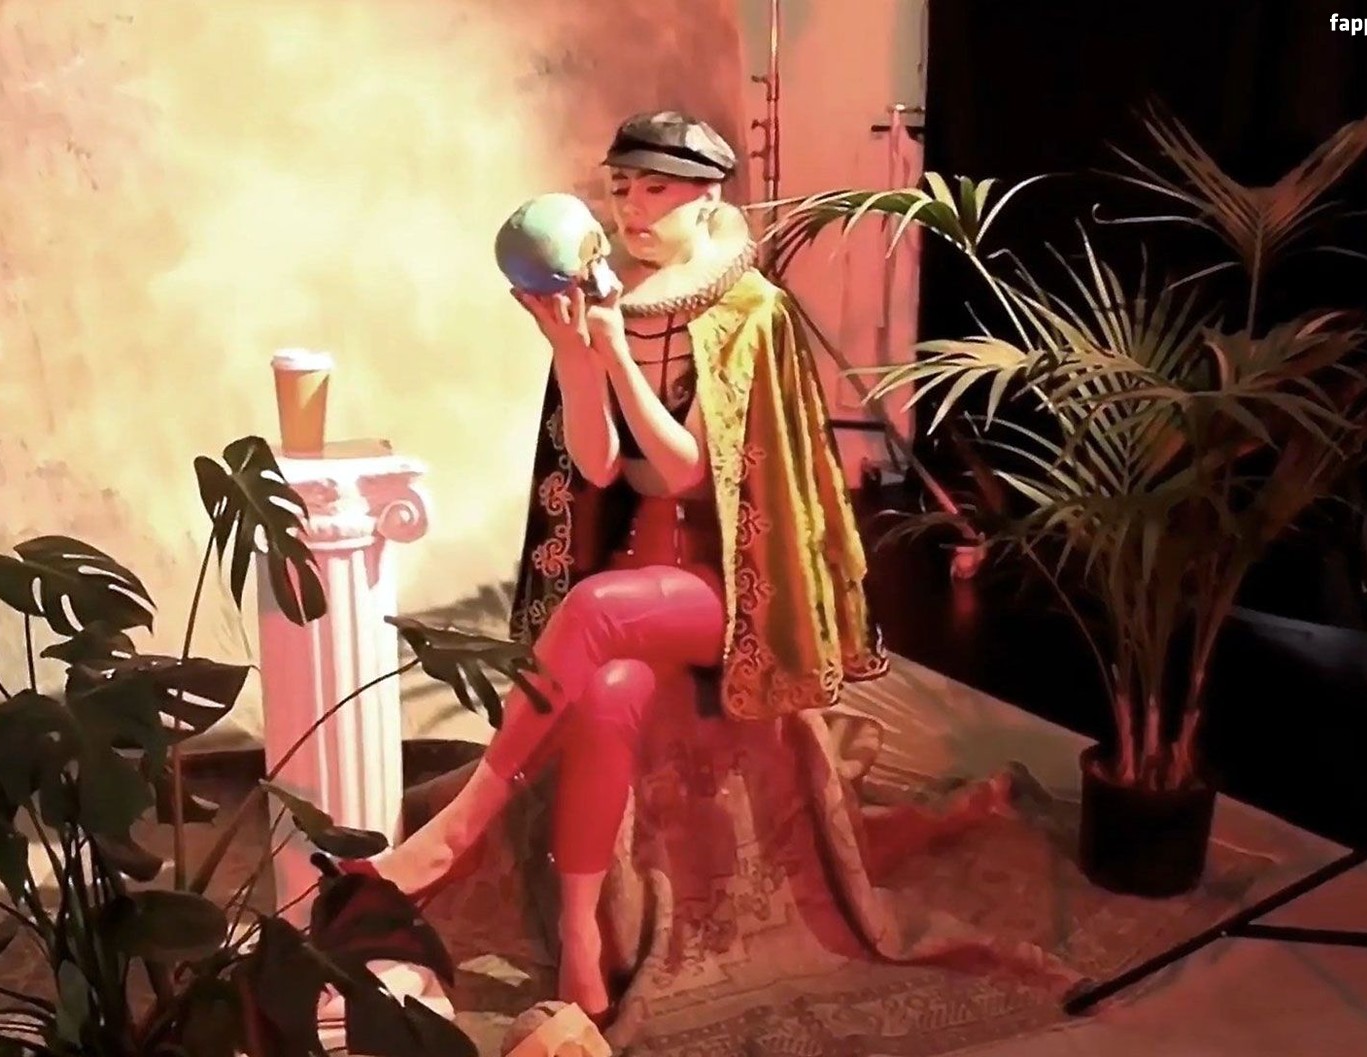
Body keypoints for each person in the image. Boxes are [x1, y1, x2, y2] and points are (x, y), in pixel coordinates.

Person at [333, 111, 1054, 1033]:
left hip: (727, 587)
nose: (632, 208)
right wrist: (574, 354)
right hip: (638, 577)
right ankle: (583, 939)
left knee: (596, 609)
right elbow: (598, 466)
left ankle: (460, 828)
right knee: (609, 694)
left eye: (656, 189)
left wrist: (612, 353)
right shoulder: (610, 299)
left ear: (707, 195)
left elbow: (683, 471)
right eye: (621, 188)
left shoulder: (748, 312)